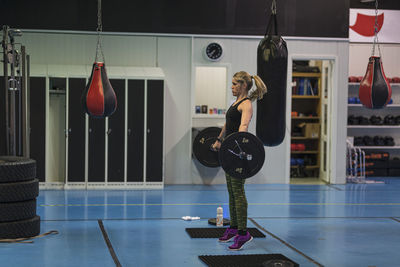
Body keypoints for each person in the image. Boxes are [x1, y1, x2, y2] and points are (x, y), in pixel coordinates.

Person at [212, 71, 267, 250]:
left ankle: (243, 233)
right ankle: (234, 228)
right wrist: (220, 140)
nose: (232, 86)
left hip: (239, 155)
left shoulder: (246, 105)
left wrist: (238, 142)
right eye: (232, 83)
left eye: (235, 83)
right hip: (229, 153)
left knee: (238, 192)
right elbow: (228, 124)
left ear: (244, 85)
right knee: (231, 191)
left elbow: (243, 126)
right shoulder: (235, 103)